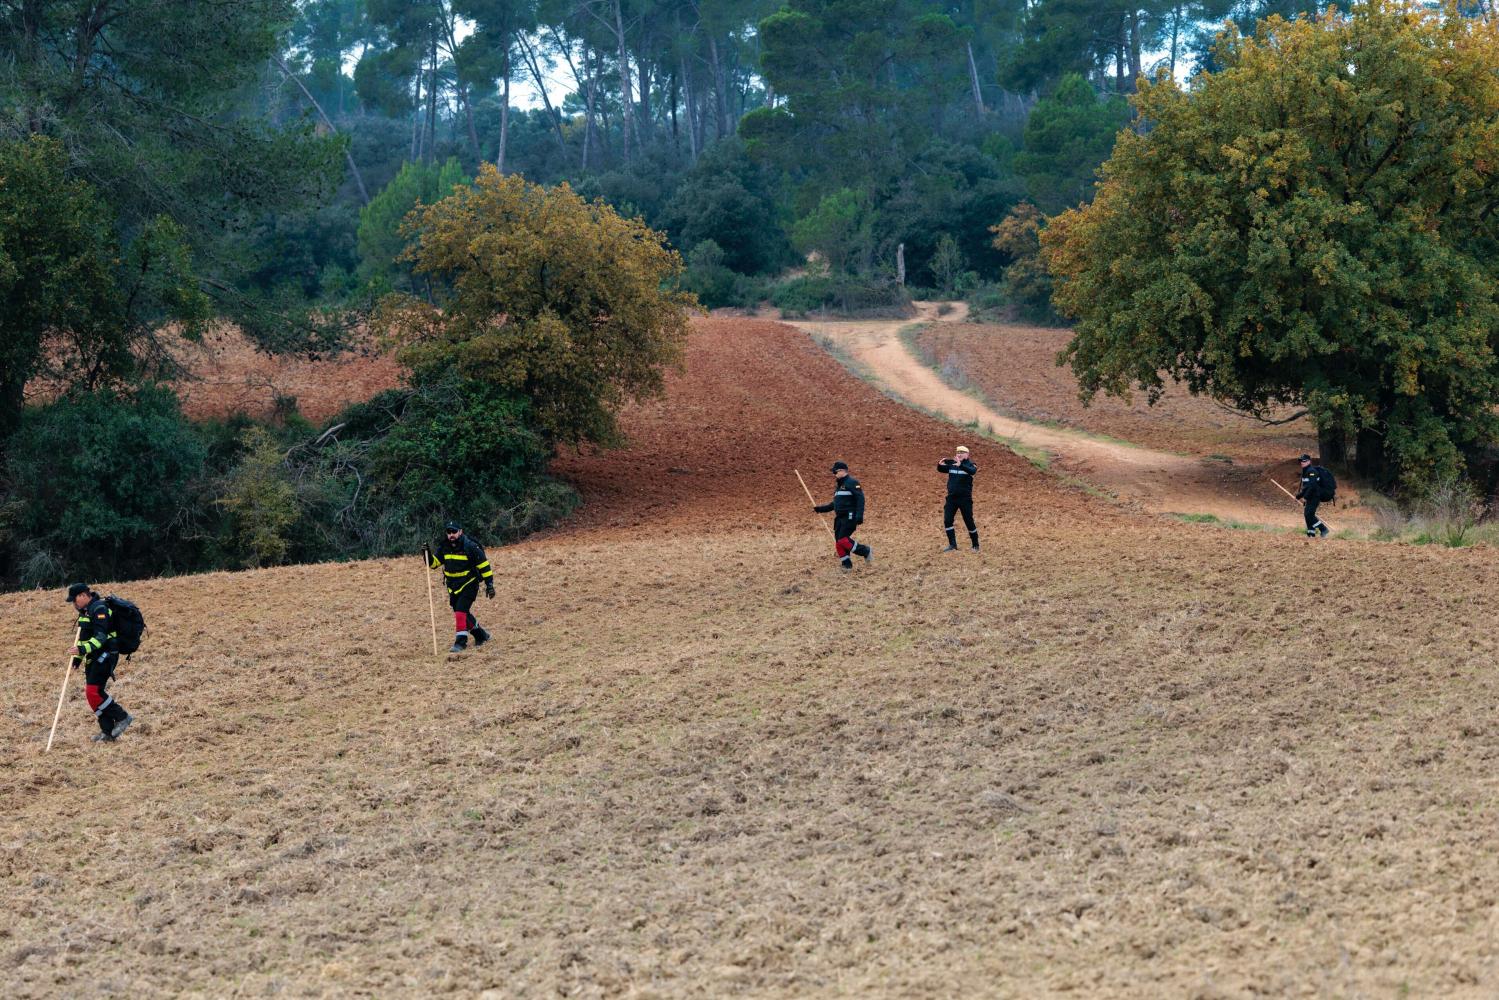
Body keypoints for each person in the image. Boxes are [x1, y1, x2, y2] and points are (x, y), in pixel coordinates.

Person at [66, 583, 134, 742]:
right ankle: (108, 731)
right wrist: (77, 659)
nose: (73, 604)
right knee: (92, 695)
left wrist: (82, 650)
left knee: (93, 691)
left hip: (106, 654)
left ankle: (122, 717)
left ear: (83, 595)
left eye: (75, 600)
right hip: (93, 656)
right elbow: (83, 638)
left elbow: (101, 637)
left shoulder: (100, 609)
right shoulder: (85, 612)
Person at [427, 521, 495, 652]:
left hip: (469, 584)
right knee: (463, 614)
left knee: (460, 612)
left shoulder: (471, 546)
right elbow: (434, 564)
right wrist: (427, 554)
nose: (451, 534)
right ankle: (481, 636)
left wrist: (489, 585)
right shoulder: (444, 547)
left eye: (454, 531)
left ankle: (460, 643)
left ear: (460, 532)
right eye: (449, 532)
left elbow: (484, 566)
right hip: (452, 587)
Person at [813, 461, 872, 571]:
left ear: (842, 471)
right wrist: (820, 509)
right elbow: (835, 504)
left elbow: (860, 499)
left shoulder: (852, 482)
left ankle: (865, 551)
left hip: (849, 516)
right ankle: (846, 565)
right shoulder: (838, 487)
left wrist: (859, 515)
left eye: (835, 472)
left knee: (843, 540)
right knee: (839, 543)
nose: (834, 474)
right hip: (839, 519)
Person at [938, 445, 980, 552]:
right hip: (951, 499)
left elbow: (972, 471)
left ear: (967, 454)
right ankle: (952, 545)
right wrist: (939, 465)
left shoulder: (972, 465)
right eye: (958, 452)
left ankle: (975, 545)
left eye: (962, 452)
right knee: (947, 520)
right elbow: (941, 469)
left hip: (965, 499)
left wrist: (961, 465)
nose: (959, 454)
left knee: (969, 521)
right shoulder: (952, 464)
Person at [1294, 454, 1333, 539]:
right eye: (1301, 461)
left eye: (1304, 461)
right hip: (1310, 496)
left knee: (1309, 514)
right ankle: (1311, 533)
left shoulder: (1312, 471)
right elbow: (1306, 487)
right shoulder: (1306, 471)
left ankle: (1323, 529)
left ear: (1309, 461)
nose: (1302, 463)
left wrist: (1305, 497)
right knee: (1307, 514)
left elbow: (1312, 486)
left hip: (1315, 496)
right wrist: (1299, 496)